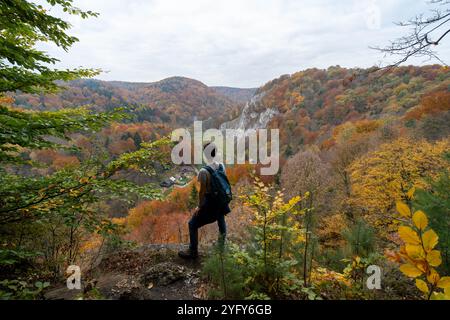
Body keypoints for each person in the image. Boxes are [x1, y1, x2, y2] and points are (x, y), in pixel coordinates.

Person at [178, 142, 231, 259]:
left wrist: (199, 207)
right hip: (221, 202)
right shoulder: (222, 166)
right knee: (221, 221)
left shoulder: (204, 171)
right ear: (215, 152)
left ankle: (193, 252)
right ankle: (221, 250)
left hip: (210, 205)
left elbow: (202, 192)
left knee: (192, 224)